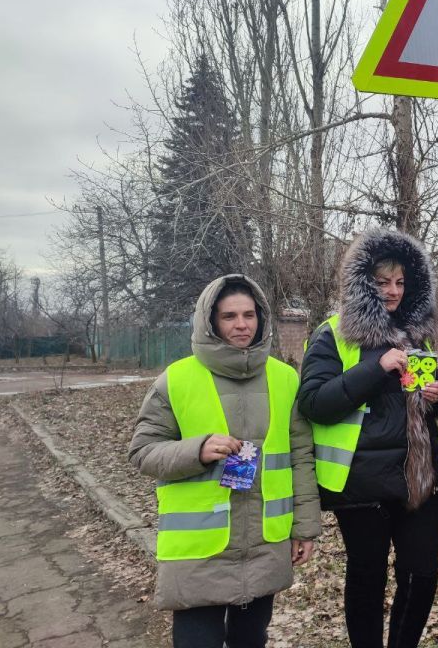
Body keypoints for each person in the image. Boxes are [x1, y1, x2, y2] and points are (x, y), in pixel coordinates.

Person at [129, 275, 320, 648]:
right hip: (199, 550)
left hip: (264, 542)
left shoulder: (285, 379)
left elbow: (300, 456)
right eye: (229, 316)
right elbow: (142, 451)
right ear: (210, 321)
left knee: (251, 641)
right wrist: (196, 450)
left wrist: (305, 528)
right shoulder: (177, 379)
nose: (241, 325)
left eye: (249, 315)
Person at [297, 228, 438, 648]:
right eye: (383, 282)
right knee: (368, 577)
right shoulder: (333, 333)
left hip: (416, 477)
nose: (393, 291)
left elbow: (424, 402)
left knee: (422, 574)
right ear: (362, 282)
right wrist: (376, 367)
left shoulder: (420, 335)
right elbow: (313, 403)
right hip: (360, 481)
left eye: (401, 282)